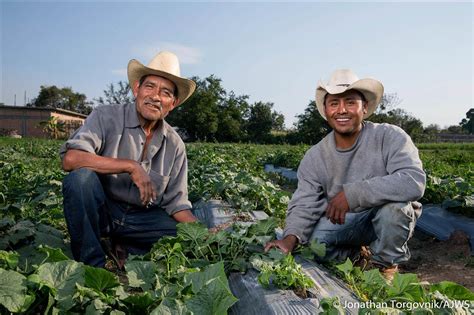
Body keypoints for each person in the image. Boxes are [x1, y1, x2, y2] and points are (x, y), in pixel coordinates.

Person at [265, 69, 426, 280]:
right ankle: (357, 258)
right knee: (314, 244)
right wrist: (289, 237)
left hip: (387, 219)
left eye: (350, 102)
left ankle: (385, 267)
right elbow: (305, 200)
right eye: (334, 104)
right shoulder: (315, 156)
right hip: (349, 221)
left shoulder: (389, 136)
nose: (342, 110)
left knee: (395, 210)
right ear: (326, 110)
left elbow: (413, 182)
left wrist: (352, 195)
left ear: (364, 107)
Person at [60, 51, 198, 268]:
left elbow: (177, 204)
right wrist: (130, 166)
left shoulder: (175, 145)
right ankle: (91, 266)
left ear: (172, 103)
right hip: (104, 211)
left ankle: (125, 244)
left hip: (142, 220)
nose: (155, 96)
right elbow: (71, 159)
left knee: (187, 239)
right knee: (80, 180)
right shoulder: (105, 116)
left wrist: (204, 234)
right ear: (136, 89)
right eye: (149, 87)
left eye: (165, 92)